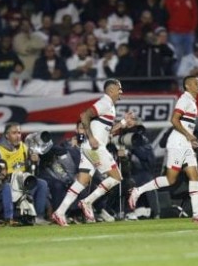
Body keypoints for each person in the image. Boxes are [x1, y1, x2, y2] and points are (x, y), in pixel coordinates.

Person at [128, 75, 198, 222]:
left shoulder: (192, 101)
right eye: (196, 83)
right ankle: (138, 191)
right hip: (178, 143)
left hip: (184, 143)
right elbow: (173, 120)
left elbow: (184, 123)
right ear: (187, 86)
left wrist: (190, 139)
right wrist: (188, 135)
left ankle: (197, 214)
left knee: (195, 176)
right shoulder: (184, 99)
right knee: (170, 180)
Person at [51, 79, 137, 226]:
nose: (121, 91)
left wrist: (123, 123)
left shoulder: (109, 106)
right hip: (95, 148)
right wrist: (91, 138)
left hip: (89, 147)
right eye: (119, 89)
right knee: (116, 177)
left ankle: (59, 212)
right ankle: (87, 202)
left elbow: (107, 131)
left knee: (82, 182)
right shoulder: (104, 102)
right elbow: (84, 115)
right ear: (110, 90)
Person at [0, 122, 50, 225]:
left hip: (23, 181)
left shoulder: (24, 147)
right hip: (7, 183)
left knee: (42, 183)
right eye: (14, 133)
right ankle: (10, 218)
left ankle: (38, 217)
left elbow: (33, 170)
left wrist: (35, 161)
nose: (18, 136)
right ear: (7, 135)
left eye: (19, 133)